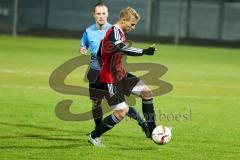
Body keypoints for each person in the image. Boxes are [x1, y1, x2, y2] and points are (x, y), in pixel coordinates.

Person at [88, 6, 157, 147]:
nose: (134, 27)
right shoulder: (114, 31)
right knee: (122, 111)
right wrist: (144, 51)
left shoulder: (118, 32)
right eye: (132, 24)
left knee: (147, 92)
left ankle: (152, 130)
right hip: (110, 78)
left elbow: (106, 53)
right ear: (123, 20)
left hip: (120, 73)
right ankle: (94, 136)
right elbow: (121, 47)